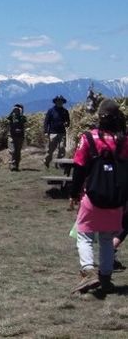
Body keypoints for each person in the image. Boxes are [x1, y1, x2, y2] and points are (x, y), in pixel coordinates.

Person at [69, 99, 128, 294]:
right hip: (117, 199)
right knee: (106, 238)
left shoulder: (89, 138)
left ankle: (88, 271)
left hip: (92, 196)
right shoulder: (124, 141)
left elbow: (78, 168)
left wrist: (73, 194)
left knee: (84, 235)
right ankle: (106, 278)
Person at [43, 95, 70, 168]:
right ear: (55, 102)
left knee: (62, 148)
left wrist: (67, 123)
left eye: (61, 101)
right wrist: (46, 131)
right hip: (53, 132)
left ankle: (60, 163)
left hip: (62, 132)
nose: (59, 102)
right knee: (50, 149)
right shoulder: (51, 111)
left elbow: (68, 121)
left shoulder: (65, 111)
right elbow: (46, 122)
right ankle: (47, 161)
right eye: (58, 101)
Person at [7, 103, 27, 171]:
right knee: (12, 151)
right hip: (11, 136)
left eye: (18, 108)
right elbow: (8, 118)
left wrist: (21, 113)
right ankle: (12, 165)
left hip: (20, 136)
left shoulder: (22, 117)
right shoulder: (12, 117)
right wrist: (12, 111)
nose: (17, 109)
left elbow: (24, 121)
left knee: (18, 152)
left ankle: (16, 165)